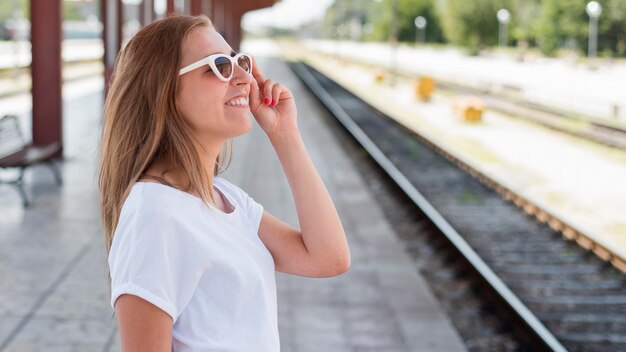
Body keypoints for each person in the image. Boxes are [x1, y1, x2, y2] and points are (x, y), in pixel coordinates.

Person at [98, 14, 350, 351]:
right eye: (219, 66)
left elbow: (328, 258)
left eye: (238, 60)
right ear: (165, 91)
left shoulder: (225, 198)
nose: (245, 77)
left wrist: (284, 135)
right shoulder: (154, 216)